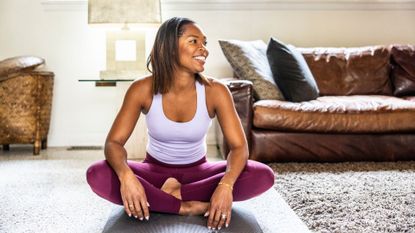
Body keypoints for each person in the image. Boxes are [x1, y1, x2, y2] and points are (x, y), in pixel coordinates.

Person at [86, 17, 274, 231]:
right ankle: (186, 207)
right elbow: (114, 143)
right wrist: (127, 177)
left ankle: (163, 200)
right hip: (153, 172)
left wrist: (226, 185)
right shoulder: (141, 89)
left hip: (200, 174)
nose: (203, 49)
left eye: (204, 43)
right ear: (169, 47)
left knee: (262, 175)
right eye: (194, 41)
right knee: (97, 173)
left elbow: (239, 148)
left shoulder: (216, 91)